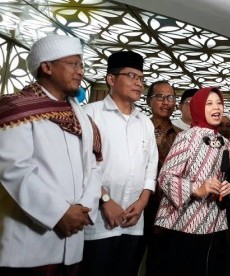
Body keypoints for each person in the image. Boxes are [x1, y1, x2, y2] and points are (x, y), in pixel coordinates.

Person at [0, 34, 102, 275]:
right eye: (73, 64)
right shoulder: (18, 108)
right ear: (46, 66)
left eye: (82, 65)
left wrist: (84, 209)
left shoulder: (81, 117)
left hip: (74, 234)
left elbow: (94, 166)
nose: (80, 71)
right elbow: (14, 170)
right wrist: (59, 213)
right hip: (29, 242)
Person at [80, 51, 158, 276]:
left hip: (133, 221)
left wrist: (143, 201)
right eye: (132, 76)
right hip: (98, 221)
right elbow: (83, 165)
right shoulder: (90, 114)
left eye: (141, 79)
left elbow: (151, 165)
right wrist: (105, 200)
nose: (138, 83)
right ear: (111, 79)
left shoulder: (145, 122)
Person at [153, 87, 230, 276]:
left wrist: (229, 186)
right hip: (184, 224)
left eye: (219, 103)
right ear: (198, 107)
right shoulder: (186, 138)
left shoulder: (225, 143)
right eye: (209, 103)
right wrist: (196, 188)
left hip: (215, 224)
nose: (217, 108)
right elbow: (165, 177)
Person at [143, 80, 180, 275]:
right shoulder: (138, 129)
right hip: (137, 206)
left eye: (171, 97)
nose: (166, 102)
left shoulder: (182, 136)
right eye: (160, 97)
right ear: (149, 101)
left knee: (160, 265)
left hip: (167, 211)